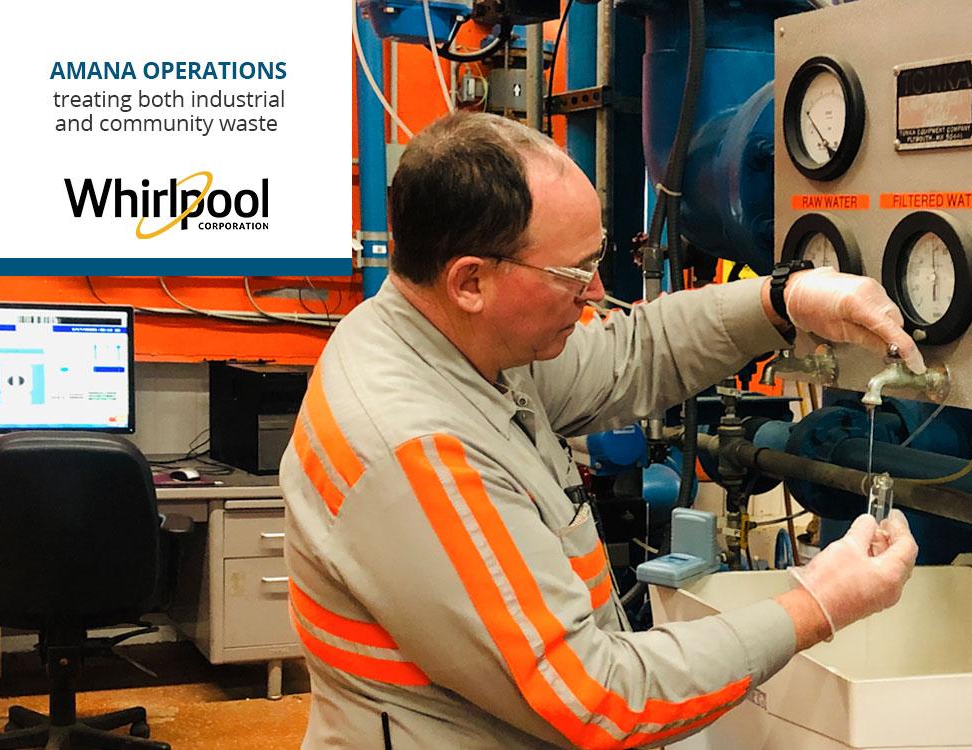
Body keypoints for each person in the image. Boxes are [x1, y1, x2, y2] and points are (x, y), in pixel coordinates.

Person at [280, 111, 919, 749]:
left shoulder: (445, 337)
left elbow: (629, 356)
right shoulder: (417, 449)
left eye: (597, 258)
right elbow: (597, 699)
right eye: (571, 273)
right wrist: (816, 605)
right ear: (470, 280)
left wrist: (785, 301)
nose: (594, 291)